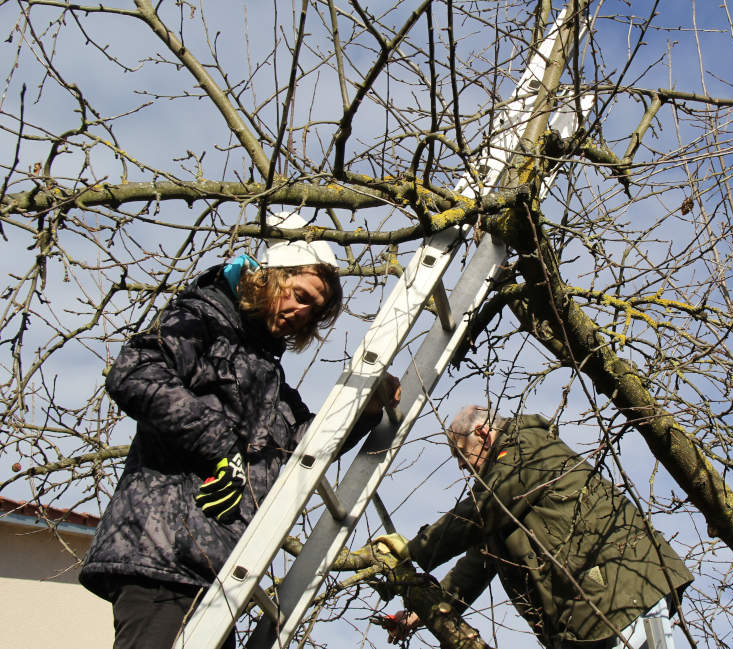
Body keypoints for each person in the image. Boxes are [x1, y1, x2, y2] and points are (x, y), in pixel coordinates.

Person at [79, 211, 400, 649]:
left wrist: (367, 409)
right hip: (164, 557)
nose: (302, 313)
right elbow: (135, 372)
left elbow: (304, 447)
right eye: (300, 294)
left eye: (314, 310)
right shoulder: (201, 318)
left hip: (219, 575)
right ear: (271, 276)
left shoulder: (266, 375)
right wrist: (220, 449)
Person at [372, 405, 693, 649]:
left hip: (622, 594)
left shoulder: (527, 446)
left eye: (460, 451)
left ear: (483, 433)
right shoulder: (505, 496)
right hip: (594, 612)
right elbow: (478, 562)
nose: (460, 464)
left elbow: (483, 509)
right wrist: (424, 609)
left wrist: (415, 547)